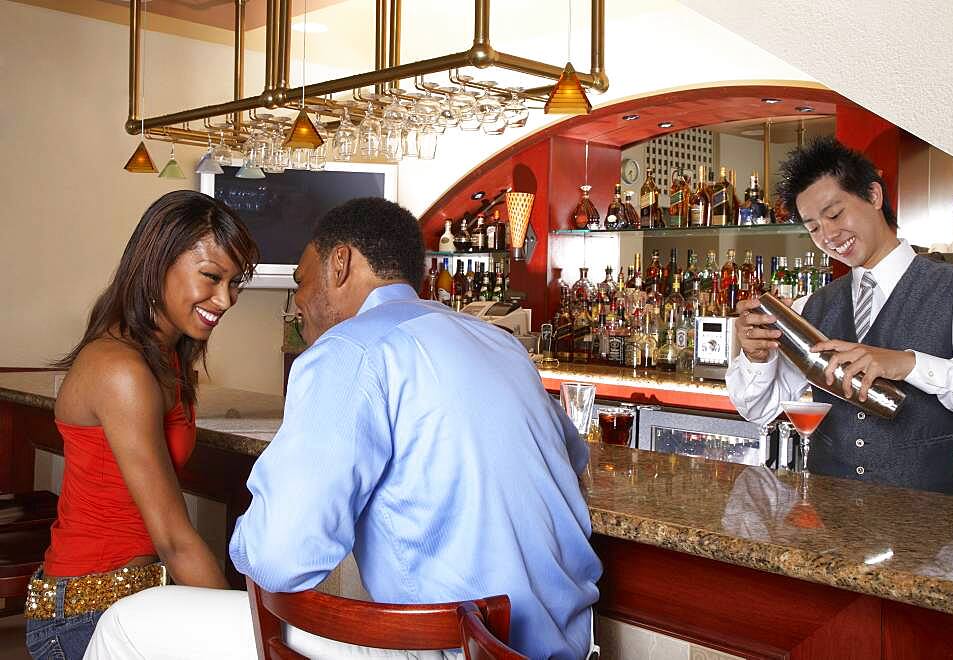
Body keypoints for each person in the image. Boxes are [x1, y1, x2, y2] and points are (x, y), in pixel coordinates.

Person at [85, 198, 602, 660]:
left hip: (446, 648)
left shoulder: (350, 351)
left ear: (340, 264)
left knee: (125, 623)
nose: (299, 304)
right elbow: (574, 461)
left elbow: (280, 560)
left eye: (300, 282)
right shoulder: (498, 343)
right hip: (565, 646)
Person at [23, 190, 259, 660]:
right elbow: (174, 538)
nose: (226, 299)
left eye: (234, 284)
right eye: (211, 278)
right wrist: (253, 629)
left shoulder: (167, 358)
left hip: (138, 598)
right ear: (156, 265)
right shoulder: (121, 370)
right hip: (84, 616)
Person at [728, 136, 953, 494]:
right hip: (828, 519)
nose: (828, 235)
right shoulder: (812, 307)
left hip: (927, 527)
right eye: (813, 227)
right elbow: (758, 410)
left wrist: (909, 364)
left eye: (835, 214)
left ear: (873, 196)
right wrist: (756, 357)